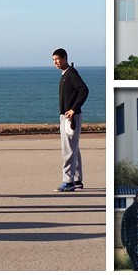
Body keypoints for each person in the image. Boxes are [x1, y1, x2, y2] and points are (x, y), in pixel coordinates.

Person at [52, 48, 89, 192]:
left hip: (71, 117)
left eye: (57, 59)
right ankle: (77, 180)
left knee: (68, 149)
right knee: (74, 148)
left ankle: (68, 181)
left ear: (64, 58)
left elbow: (84, 90)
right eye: (53, 60)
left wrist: (74, 109)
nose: (55, 62)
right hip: (67, 116)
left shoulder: (71, 73)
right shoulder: (65, 74)